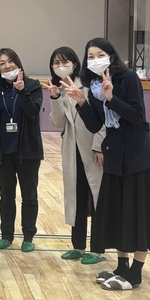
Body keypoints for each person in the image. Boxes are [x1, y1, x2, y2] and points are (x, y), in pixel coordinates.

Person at [62, 37, 150, 291]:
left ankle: (136, 272)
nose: (95, 59)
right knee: (119, 214)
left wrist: (111, 98)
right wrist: (82, 102)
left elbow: (137, 116)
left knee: (138, 214)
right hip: (114, 157)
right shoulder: (94, 85)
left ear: (111, 56)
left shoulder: (127, 78)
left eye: (100, 54)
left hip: (136, 157)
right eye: (90, 56)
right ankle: (121, 267)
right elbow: (96, 125)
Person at [42, 46, 105, 264]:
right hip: (72, 151)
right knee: (76, 198)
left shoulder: (89, 86)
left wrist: (99, 146)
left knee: (96, 198)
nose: (60, 66)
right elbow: (59, 122)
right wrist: (55, 98)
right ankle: (78, 246)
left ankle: (98, 249)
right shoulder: (58, 89)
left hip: (93, 150)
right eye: (56, 63)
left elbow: (102, 119)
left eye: (64, 62)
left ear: (75, 64)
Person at [0, 48, 43, 252]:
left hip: (28, 151)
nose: (7, 66)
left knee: (29, 195)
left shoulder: (32, 85)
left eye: (10, 61)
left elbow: (32, 112)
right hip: (4, 151)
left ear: (17, 63)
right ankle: (6, 235)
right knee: (6, 196)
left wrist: (22, 91)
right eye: (2, 63)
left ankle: (28, 236)